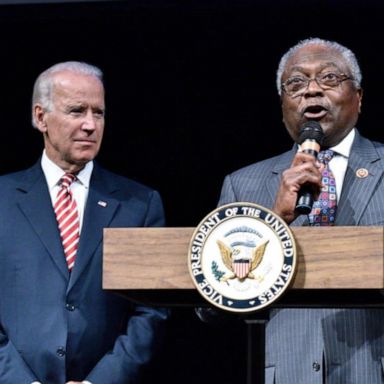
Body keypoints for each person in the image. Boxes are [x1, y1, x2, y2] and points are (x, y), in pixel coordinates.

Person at [205, 38, 384, 383]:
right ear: (283, 104)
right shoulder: (244, 184)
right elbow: (211, 307)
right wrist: (273, 221)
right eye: (296, 83)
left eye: (329, 78)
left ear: (358, 97)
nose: (312, 91)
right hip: (286, 372)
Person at [0, 61, 168, 383]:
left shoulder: (139, 204)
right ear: (40, 117)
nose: (91, 125)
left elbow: (151, 311)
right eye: (77, 111)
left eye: (99, 113)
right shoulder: (3, 199)